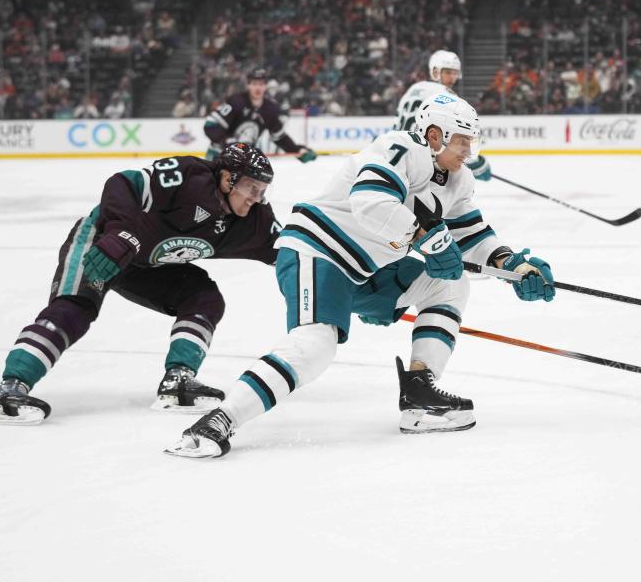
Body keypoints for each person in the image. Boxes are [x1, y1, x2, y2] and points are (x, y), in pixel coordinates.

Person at [166, 94, 555, 458]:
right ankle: (220, 420)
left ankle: (420, 395)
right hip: (318, 251)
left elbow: (472, 237)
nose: (470, 151)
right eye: (463, 142)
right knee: (315, 347)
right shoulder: (401, 148)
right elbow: (370, 201)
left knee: (450, 284)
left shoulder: (459, 180)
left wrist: (514, 266)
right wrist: (428, 239)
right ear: (435, 135)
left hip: (366, 269)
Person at [0, 143, 283, 425]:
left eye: (261, 191)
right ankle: (11, 385)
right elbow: (124, 183)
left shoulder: (255, 221)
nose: (255, 198)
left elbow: (289, 252)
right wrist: (119, 233)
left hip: (147, 264)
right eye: (250, 187)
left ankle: (178, 380)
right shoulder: (190, 177)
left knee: (204, 299)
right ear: (228, 179)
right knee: (74, 308)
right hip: (103, 243)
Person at [396, 50, 492, 182]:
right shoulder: (445, 95)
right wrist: (475, 163)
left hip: (398, 154)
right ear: (435, 72)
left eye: (455, 73)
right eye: (448, 72)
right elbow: (454, 136)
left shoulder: (412, 90)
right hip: (423, 160)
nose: (452, 78)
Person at [204, 68, 317, 164]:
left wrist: (298, 151)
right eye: (254, 84)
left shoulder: (270, 109)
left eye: (261, 84)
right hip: (219, 155)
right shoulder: (236, 102)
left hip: (243, 159)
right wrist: (227, 141)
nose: (258, 88)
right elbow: (210, 125)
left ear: (265, 86)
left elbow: (280, 137)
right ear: (248, 85)